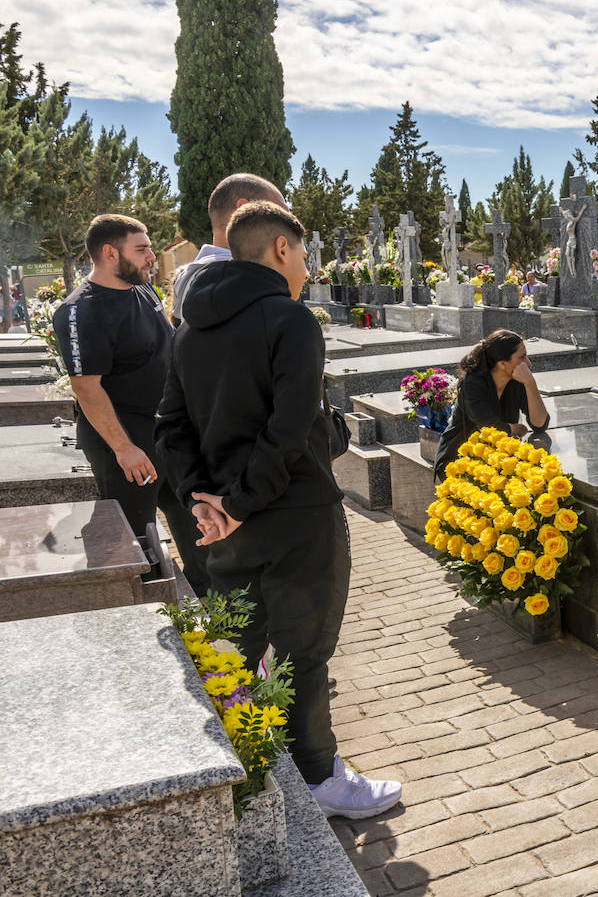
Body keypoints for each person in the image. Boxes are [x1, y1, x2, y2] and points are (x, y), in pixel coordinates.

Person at [155, 201, 401, 820]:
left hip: (223, 525)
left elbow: (172, 428)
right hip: (295, 517)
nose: (307, 267)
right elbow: (289, 429)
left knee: (241, 645)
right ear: (282, 249)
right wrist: (236, 505)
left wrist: (200, 503)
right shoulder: (289, 321)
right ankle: (318, 777)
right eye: (304, 253)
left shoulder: (189, 328)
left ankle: (249, 763)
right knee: (305, 652)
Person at [52, 214, 211, 594]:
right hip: (125, 441)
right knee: (137, 541)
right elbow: (87, 389)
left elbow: (169, 347)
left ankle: (209, 604)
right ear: (109, 253)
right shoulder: (80, 311)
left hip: (167, 432)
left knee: (196, 525)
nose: (151, 256)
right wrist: (124, 449)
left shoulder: (143, 290)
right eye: (141, 249)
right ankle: (148, 617)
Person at [431, 330, 551, 482]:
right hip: (459, 459)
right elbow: (491, 429)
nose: (528, 363)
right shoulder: (473, 384)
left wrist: (530, 384)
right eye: (522, 357)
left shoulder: (518, 381)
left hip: (497, 457)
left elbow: (540, 424)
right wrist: (518, 428)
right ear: (502, 364)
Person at [171, 173, 286, 327]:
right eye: (279, 213)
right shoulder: (241, 280)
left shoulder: (194, 276)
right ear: (245, 211)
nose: (287, 225)